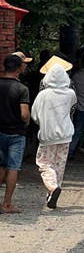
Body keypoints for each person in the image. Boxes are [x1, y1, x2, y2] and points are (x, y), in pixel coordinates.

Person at [31, 57, 77, 209]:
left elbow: (35, 115)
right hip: (66, 135)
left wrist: (43, 123)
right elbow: (72, 110)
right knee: (59, 164)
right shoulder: (70, 93)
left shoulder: (43, 95)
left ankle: (52, 187)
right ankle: (52, 194)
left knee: (44, 163)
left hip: (48, 135)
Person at [0, 52, 32, 214]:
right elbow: (24, 114)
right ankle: (6, 204)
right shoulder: (22, 89)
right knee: (13, 167)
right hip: (16, 134)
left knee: (1, 165)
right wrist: (26, 122)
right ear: (19, 68)